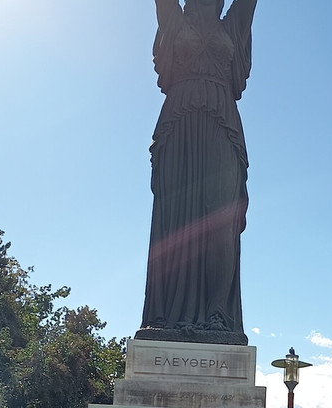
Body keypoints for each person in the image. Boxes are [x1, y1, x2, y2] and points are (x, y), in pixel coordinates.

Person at [137, 0, 258, 345]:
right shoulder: (175, 20)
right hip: (179, 124)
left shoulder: (231, 26)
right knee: (173, 223)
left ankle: (218, 314)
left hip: (221, 125)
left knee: (221, 220)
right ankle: (164, 316)